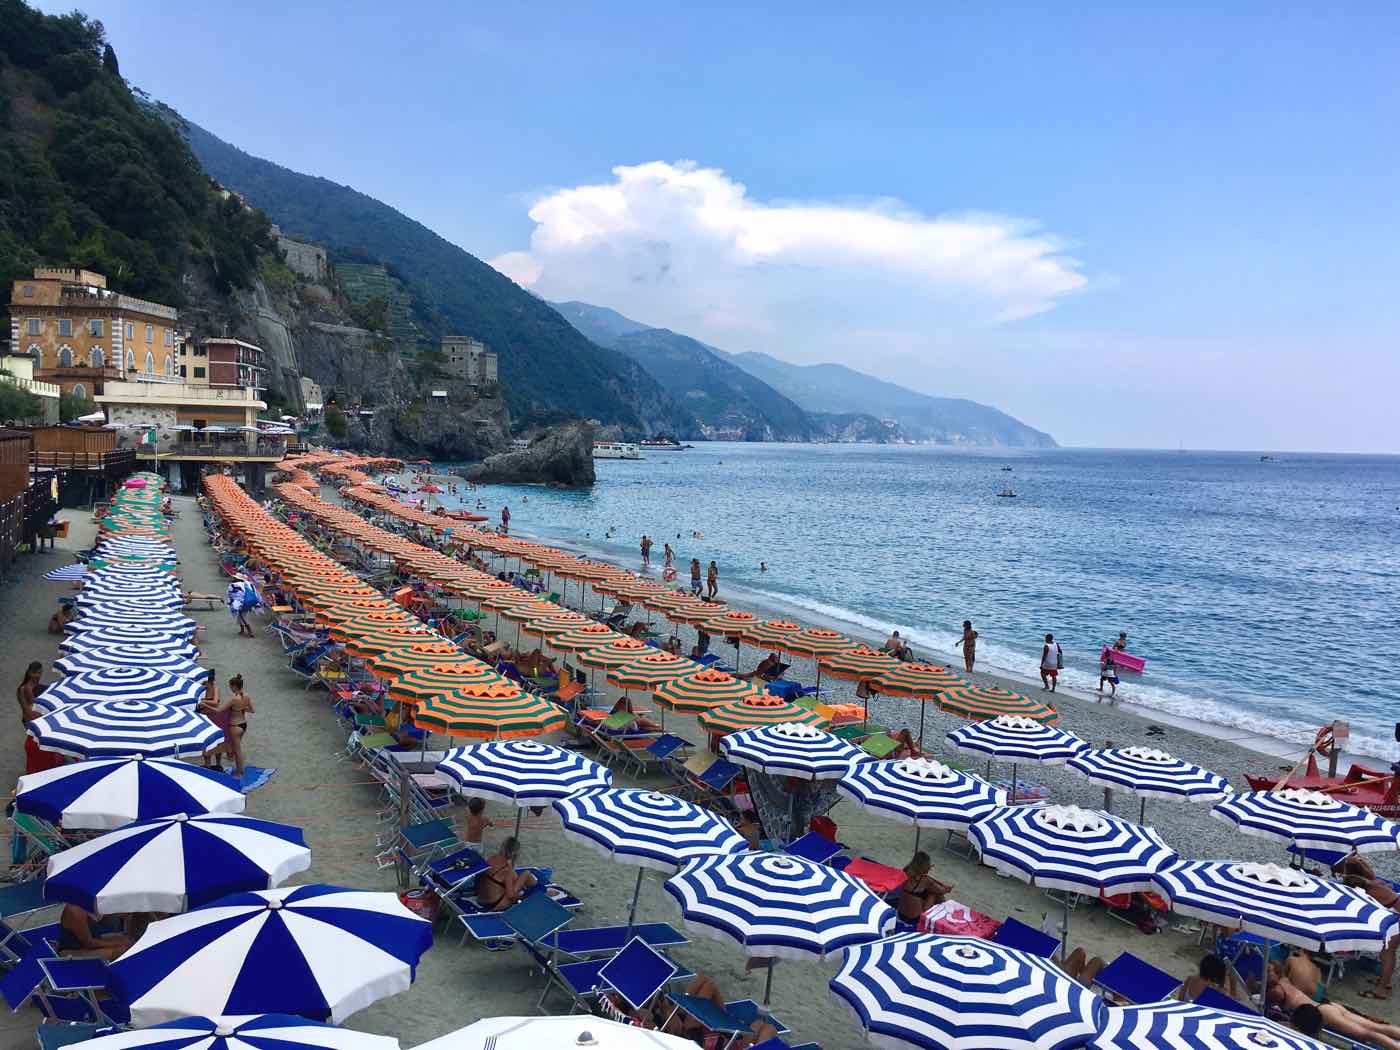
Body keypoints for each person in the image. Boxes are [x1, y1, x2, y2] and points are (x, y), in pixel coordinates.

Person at [1266, 962, 1400, 1049]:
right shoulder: (1285, 980)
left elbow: (1262, 1003)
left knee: (1367, 1033)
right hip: (1329, 1006)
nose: (1266, 974)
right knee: (1375, 1027)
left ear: (1277, 972)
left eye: (1268, 971)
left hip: (1322, 1012)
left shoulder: (1276, 991)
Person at [17, 661, 58, 775]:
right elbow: (30, 709)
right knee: (38, 747)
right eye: (36, 673)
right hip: (33, 721)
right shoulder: (25, 689)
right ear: (30, 673)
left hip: (35, 720)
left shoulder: (35, 686)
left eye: (40, 673)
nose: (38, 676)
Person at [476, 837, 536, 911]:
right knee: (526, 874)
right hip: (496, 904)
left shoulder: (491, 859)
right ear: (515, 853)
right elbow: (510, 896)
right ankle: (538, 893)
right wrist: (522, 897)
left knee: (518, 878)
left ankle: (535, 891)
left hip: (481, 900)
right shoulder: (508, 870)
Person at [58, 904, 131, 961]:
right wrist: (116, 944)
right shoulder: (75, 911)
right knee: (120, 951)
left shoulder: (89, 903)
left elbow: (104, 922)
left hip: (93, 939)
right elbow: (89, 943)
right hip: (73, 950)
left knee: (127, 939)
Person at [897, 852, 953, 923]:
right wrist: (947, 888)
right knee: (934, 893)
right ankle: (946, 916)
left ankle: (945, 914)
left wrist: (941, 883)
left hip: (901, 914)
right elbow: (943, 890)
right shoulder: (925, 880)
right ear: (925, 866)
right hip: (915, 919)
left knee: (928, 892)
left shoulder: (906, 870)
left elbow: (929, 878)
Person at [198, 667, 229, 771]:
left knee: (216, 742)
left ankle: (217, 764)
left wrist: (203, 701)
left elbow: (215, 702)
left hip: (214, 717)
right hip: (205, 717)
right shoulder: (202, 688)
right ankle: (208, 764)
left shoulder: (215, 689)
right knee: (207, 742)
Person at [224, 674, 255, 780]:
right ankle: (235, 763)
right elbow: (252, 710)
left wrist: (207, 705)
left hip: (235, 725)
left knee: (238, 751)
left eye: (230, 687)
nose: (230, 688)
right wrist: (241, 709)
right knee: (237, 748)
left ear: (234, 686)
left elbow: (220, 710)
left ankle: (239, 772)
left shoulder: (234, 699)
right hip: (243, 724)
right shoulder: (247, 696)